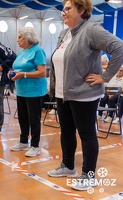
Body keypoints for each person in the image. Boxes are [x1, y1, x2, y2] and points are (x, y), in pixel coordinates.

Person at [47, 0, 123, 191]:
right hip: (63, 92)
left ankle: (89, 176)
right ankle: (68, 166)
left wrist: (104, 77)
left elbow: (119, 47)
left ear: (81, 10)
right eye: (62, 9)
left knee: (87, 134)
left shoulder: (91, 30)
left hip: (84, 93)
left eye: (68, 9)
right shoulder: (64, 34)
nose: (63, 12)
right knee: (66, 130)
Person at [9, 27, 47, 157]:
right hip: (21, 90)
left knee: (34, 119)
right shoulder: (21, 52)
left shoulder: (38, 51)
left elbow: (42, 72)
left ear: (28, 38)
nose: (17, 40)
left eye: (20, 37)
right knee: (23, 118)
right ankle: (23, 141)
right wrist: (12, 73)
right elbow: (17, 68)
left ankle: (35, 145)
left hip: (34, 91)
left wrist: (23, 74)